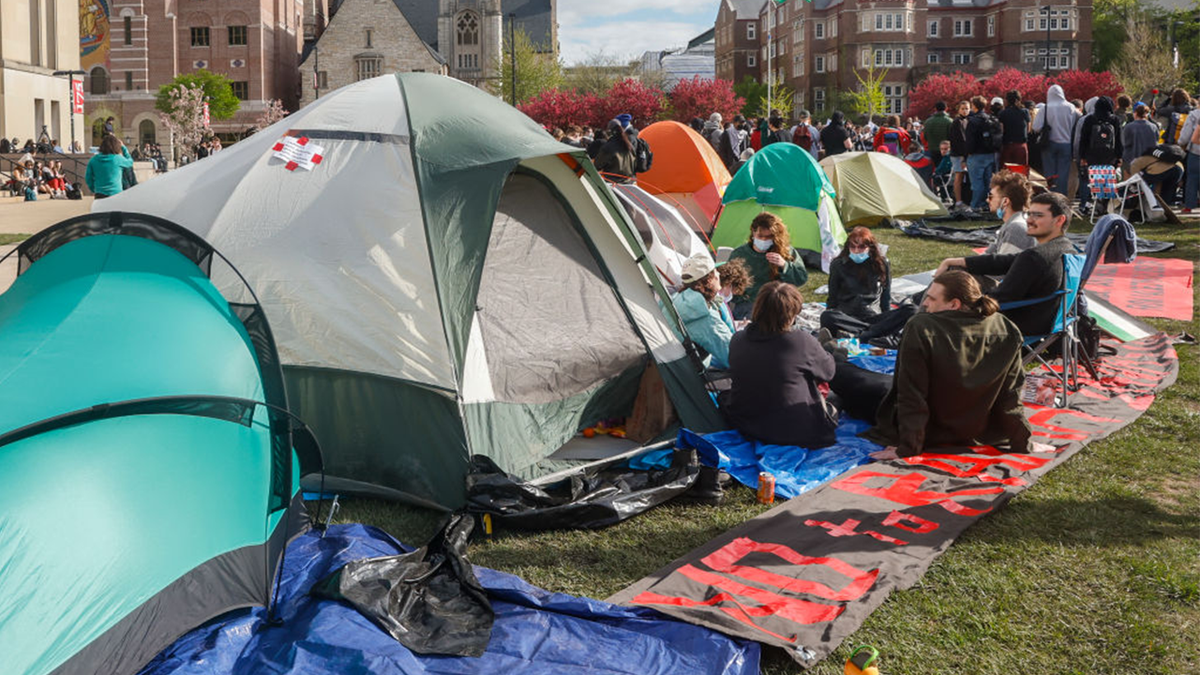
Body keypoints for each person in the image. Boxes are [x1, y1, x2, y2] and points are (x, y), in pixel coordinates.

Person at [862, 271, 1031, 458]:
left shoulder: (921, 327)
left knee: (852, 378)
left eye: (932, 299)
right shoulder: (1006, 327)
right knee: (876, 382)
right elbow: (1011, 395)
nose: (925, 303)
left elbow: (912, 395)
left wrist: (908, 448)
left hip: (930, 432)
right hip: (979, 431)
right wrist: (1022, 442)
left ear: (954, 304)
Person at [935, 191, 1076, 337]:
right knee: (957, 274)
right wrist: (957, 261)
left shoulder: (1035, 256)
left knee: (947, 292)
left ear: (1059, 220)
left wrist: (961, 300)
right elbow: (1004, 261)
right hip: (1047, 322)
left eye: (1038, 215)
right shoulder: (1066, 249)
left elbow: (998, 299)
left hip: (1014, 326)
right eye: (1029, 214)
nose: (1029, 220)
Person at [721, 282, 838, 448]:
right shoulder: (800, 341)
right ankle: (829, 350)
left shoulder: (738, 339)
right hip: (794, 431)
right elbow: (829, 372)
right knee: (836, 397)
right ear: (791, 315)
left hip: (747, 425)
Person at [820, 226, 916, 345]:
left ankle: (861, 335)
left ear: (870, 247)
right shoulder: (838, 265)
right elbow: (832, 297)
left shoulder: (881, 264)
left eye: (861, 247)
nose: (856, 251)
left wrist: (888, 318)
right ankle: (872, 333)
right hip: (848, 317)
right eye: (852, 247)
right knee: (827, 316)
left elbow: (885, 297)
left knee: (912, 310)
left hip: (873, 315)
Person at [726, 212, 809, 319]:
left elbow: (801, 278)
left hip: (778, 301)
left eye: (769, 237)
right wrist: (741, 297)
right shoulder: (739, 254)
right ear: (753, 232)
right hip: (749, 304)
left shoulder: (785, 252)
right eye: (760, 236)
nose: (764, 240)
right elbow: (727, 286)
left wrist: (784, 265)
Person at [673, 254, 738, 370]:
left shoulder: (675, 300)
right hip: (693, 380)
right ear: (709, 280)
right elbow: (735, 358)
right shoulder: (706, 318)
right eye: (716, 271)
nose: (719, 274)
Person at [1032, 84, 1080, 196]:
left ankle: (1051, 195)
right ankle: (1061, 196)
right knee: (1063, 173)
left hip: (1049, 143)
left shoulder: (1045, 107)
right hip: (1066, 143)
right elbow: (1075, 122)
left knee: (1050, 173)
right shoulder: (1070, 107)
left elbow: (1036, 127)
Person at [965, 96, 998, 212]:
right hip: (990, 153)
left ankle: (975, 205)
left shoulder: (973, 121)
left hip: (976, 154)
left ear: (974, 106)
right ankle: (986, 204)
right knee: (988, 181)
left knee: (977, 182)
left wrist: (967, 153)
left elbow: (970, 140)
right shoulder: (991, 119)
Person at [84, 134, 134, 199]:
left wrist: (94, 189)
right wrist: (124, 148)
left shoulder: (93, 160)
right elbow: (130, 162)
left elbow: (88, 178)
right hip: (116, 193)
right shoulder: (117, 159)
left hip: (100, 193)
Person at [1121, 104, 1160, 172]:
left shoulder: (1129, 127)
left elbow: (1124, 143)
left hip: (1131, 160)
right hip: (1149, 161)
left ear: (1135, 113)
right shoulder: (1153, 127)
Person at [998, 90, 1031, 167]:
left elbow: (1001, 130)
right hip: (1021, 145)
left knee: (1007, 173)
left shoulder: (1003, 113)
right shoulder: (1025, 112)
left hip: (1007, 145)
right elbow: (1028, 129)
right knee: (1021, 172)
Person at [948, 100, 970, 211]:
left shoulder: (966, 121)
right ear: (958, 110)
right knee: (958, 177)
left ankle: (961, 200)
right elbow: (958, 141)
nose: (965, 111)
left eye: (967, 108)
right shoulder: (957, 122)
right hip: (958, 154)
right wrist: (963, 158)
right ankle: (959, 201)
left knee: (962, 177)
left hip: (963, 154)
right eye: (963, 109)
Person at [1179, 107, 1200, 213]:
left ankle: (1189, 205)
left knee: (1192, 178)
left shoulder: (1194, 115)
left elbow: (1186, 134)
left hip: (1196, 151)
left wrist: (1181, 142)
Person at [923, 101, 953, 167]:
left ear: (935, 109)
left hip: (932, 149)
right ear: (946, 108)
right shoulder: (950, 121)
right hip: (946, 150)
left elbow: (925, 136)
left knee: (934, 169)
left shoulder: (928, 121)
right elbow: (952, 137)